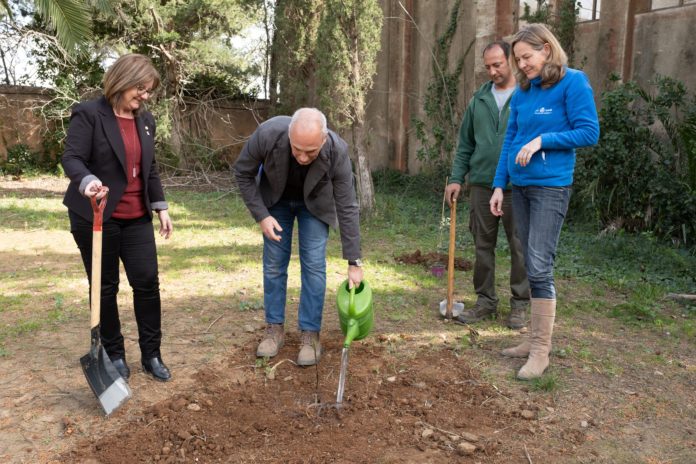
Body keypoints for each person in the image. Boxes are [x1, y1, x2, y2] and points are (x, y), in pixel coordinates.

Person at [490, 24, 599, 380]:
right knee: (526, 259)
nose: (522, 65)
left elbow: (589, 131)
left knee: (539, 264)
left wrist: (543, 140)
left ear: (547, 50)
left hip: (550, 188)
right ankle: (532, 340)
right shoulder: (523, 92)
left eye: (527, 57)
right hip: (518, 188)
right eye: (518, 59)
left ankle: (540, 351)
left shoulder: (574, 82)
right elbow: (510, 140)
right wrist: (498, 186)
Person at [62, 54, 173, 382]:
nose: (145, 96)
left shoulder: (146, 120)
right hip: (97, 215)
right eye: (140, 88)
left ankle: (152, 354)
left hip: (136, 215)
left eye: (149, 90)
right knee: (105, 287)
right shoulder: (90, 114)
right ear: (122, 81)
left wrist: (160, 206)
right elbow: (72, 157)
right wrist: (87, 181)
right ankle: (114, 355)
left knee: (147, 283)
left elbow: (149, 169)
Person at [234, 108, 363, 366]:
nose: (303, 157)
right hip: (276, 202)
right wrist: (261, 215)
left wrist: (354, 260)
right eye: (297, 149)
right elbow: (243, 173)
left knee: (314, 265)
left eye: (311, 152)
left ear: (324, 140)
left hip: (314, 205)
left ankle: (310, 334)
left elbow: (347, 205)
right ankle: (274, 329)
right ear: (289, 137)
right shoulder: (268, 135)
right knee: (273, 265)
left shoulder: (337, 150)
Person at [444, 41, 530, 329]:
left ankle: (519, 304)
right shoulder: (478, 101)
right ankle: (485, 302)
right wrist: (457, 178)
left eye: (498, 65)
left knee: (520, 246)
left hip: (518, 185)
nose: (492, 71)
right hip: (481, 185)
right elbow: (466, 144)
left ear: (511, 61)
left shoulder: (527, 95)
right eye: (488, 67)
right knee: (483, 245)